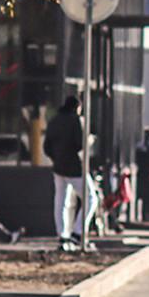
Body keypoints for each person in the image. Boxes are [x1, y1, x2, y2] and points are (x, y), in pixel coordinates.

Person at [43, 95, 98, 251]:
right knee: (91, 199)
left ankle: (62, 234)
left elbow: (46, 146)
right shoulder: (75, 121)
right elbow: (80, 144)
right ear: (77, 107)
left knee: (61, 201)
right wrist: (89, 141)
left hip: (58, 167)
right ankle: (78, 231)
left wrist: (56, 158)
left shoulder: (54, 121)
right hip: (75, 167)